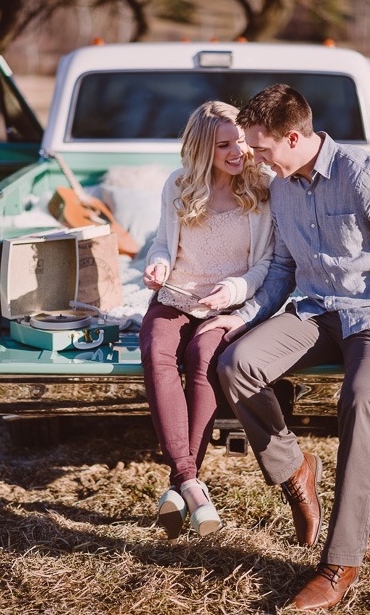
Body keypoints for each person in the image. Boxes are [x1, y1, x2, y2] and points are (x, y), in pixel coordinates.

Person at [198, 84, 370, 609]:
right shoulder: (281, 185)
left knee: (361, 400)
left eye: (259, 148)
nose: (251, 158)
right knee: (237, 363)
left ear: (295, 137)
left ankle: (340, 562)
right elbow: (282, 270)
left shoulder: (362, 175)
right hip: (317, 311)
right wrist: (242, 316)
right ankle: (294, 468)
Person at [139, 100, 274, 541]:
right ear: (202, 149)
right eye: (224, 145)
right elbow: (162, 242)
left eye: (241, 141)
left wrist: (233, 293)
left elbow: (268, 265)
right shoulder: (178, 184)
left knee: (202, 359)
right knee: (156, 351)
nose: (238, 152)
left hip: (227, 305)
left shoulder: (264, 187)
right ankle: (191, 481)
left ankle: (181, 485)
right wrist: (157, 265)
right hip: (176, 295)